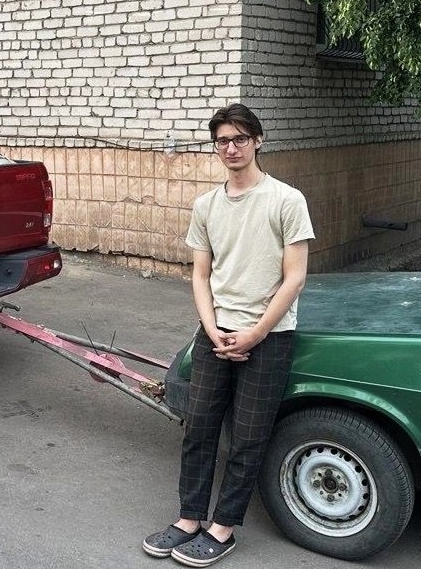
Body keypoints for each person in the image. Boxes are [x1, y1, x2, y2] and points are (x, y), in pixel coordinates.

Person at [143, 103, 314, 566]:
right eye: (223, 140)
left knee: (248, 437)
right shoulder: (207, 205)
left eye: (240, 138)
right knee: (198, 427)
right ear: (215, 147)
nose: (231, 148)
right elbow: (200, 275)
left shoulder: (286, 199)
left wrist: (256, 333)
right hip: (215, 333)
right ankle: (189, 519)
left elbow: (294, 276)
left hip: (270, 336)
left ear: (257, 140)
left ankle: (224, 527)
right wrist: (213, 329)